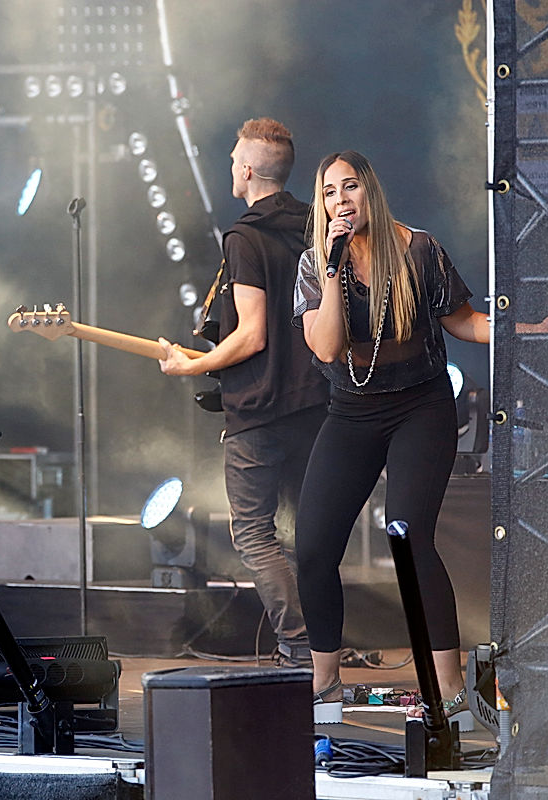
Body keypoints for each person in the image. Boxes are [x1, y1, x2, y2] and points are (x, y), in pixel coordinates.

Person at [292, 150, 548, 726]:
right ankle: (324, 685)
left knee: (407, 535)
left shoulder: (419, 249)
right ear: (321, 204)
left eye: (350, 187)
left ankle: (448, 692)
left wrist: (528, 332)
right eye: (328, 192)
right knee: (314, 546)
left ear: (370, 191)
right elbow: (324, 348)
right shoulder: (315, 263)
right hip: (351, 413)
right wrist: (331, 267)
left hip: (421, 406)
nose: (340, 200)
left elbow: (465, 320)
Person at [157, 118, 326, 668]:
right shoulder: (315, 227)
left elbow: (252, 334)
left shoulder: (244, 236)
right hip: (316, 404)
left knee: (254, 532)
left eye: (234, 159)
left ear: (249, 170)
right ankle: (322, 650)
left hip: (260, 410)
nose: (231, 165)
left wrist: (194, 365)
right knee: (311, 533)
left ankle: (297, 645)